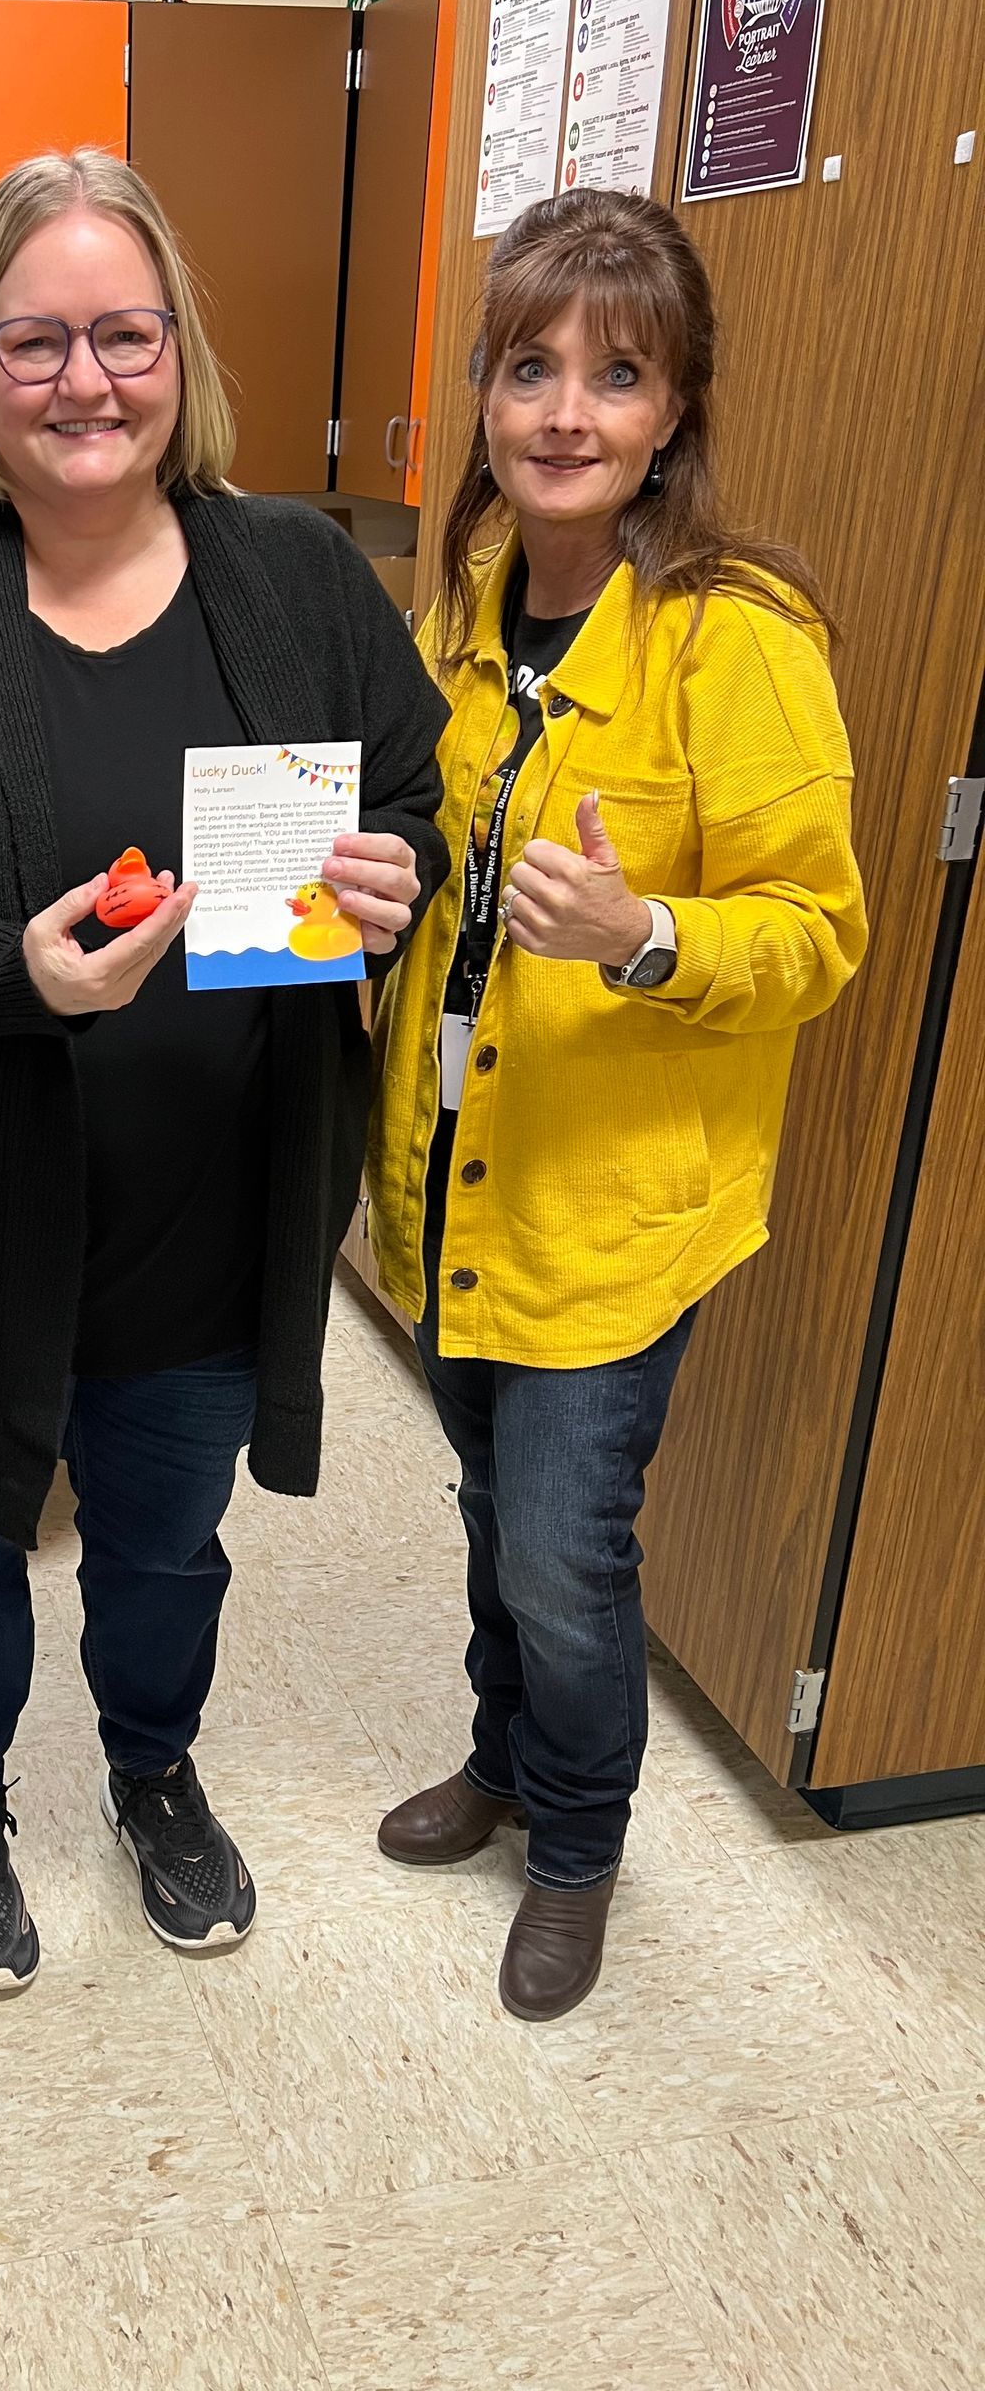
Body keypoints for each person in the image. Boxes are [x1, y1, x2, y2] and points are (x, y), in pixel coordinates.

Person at [0, 151, 449, 1996]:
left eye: (123, 335)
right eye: (34, 340)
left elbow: (410, 790)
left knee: (163, 1542)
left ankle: (153, 1766)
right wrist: (0, 967)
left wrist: (393, 872)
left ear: (179, 352)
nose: (86, 382)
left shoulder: (291, 568)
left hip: (210, 1212)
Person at [362, 189, 866, 2021]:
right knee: (493, 1508)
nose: (565, 411)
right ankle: (507, 1764)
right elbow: (437, 860)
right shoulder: (465, 613)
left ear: (675, 411)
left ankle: (577, 1843)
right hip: (461, 1182)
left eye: (617, 373)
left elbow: (821, 932)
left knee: (568, 1555)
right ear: (487, 395)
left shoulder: (739, 633)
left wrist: (649, 934)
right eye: (530, 368)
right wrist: (380, 898)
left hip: (617, 1214)